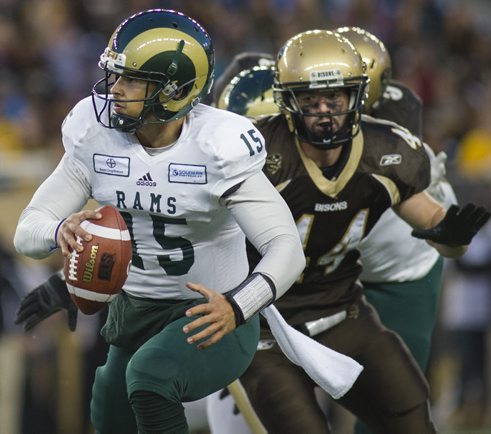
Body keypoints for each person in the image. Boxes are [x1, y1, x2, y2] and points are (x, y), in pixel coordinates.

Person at [13, 9, 306, 434]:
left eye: (129, 79)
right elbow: (28, 231)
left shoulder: (216, 146)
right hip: (133, 312)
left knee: (150, 379)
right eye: (114, 76)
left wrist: (239, 305)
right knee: (109, 412)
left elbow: (287, 248)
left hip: (212, 311)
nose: (114, 90)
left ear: (173, 89)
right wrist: (60, 230)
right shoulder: (95, 133)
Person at [235, 29, 490, 434]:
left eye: (334, 98)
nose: (324, 111)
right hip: (267, 322)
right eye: (310, 99)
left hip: (341, 310)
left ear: (356, 97)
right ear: (287, 101)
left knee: (410, 411)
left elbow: (433, 225)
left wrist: (451, 235)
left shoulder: (384, 150)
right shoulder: (257, 153)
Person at [333, 26, 458, 434]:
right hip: (326, 267)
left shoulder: (395, 117)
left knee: (390, 403)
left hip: (397, 266)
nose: (321, 103)